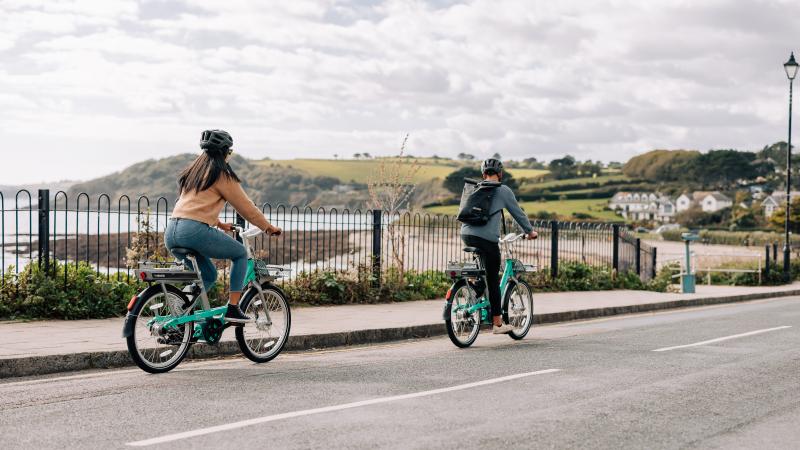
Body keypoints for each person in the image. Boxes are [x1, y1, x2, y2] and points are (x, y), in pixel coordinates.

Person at [165, 129, 281, 324]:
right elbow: (247, 209)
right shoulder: (221, 175)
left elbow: (192, 206)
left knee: (208, 275)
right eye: (230, 152)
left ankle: (179, 318)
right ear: (224, 152)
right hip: (193, 232)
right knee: (239, 254)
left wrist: (218, 223)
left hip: (172, 232)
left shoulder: (193, 174)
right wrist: (268, 227)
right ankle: (233, 308)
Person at [461, 158, 537, 334]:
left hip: (466, 235)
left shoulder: (475, 187)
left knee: (483, 271)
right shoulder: (503, 190)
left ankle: (475, 289)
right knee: (493, 278)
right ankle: (497, 324)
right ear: (500, 174)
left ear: (483, 174)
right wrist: (530, 232)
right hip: (486, 239)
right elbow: (518, 213)